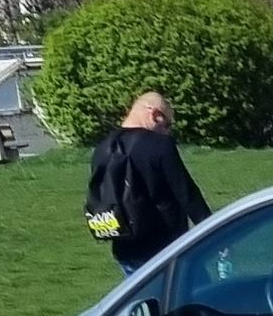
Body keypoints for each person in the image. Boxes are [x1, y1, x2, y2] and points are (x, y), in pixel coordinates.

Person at [83, 91, 208, 278]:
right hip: (165, 248)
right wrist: (211, 229)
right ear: (154, 115)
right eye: (167, 124)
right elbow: (187, 194)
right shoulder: (160, 145)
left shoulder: (102, 149)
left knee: (144, 302)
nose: (167, 131)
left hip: (125, 248)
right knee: (199, 295)